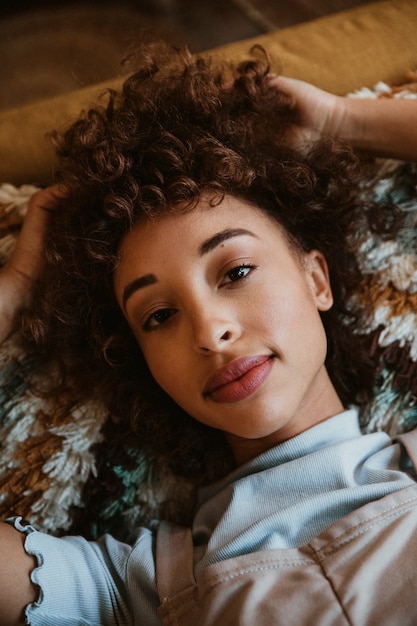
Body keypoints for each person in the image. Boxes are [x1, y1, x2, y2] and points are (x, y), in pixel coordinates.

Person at [0, 43, 417, 625]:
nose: (211, 331)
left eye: (237, 271)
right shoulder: (131, 590)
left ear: (316, 278)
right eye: (158, 316)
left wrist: (348, 122)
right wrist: (15, 291)